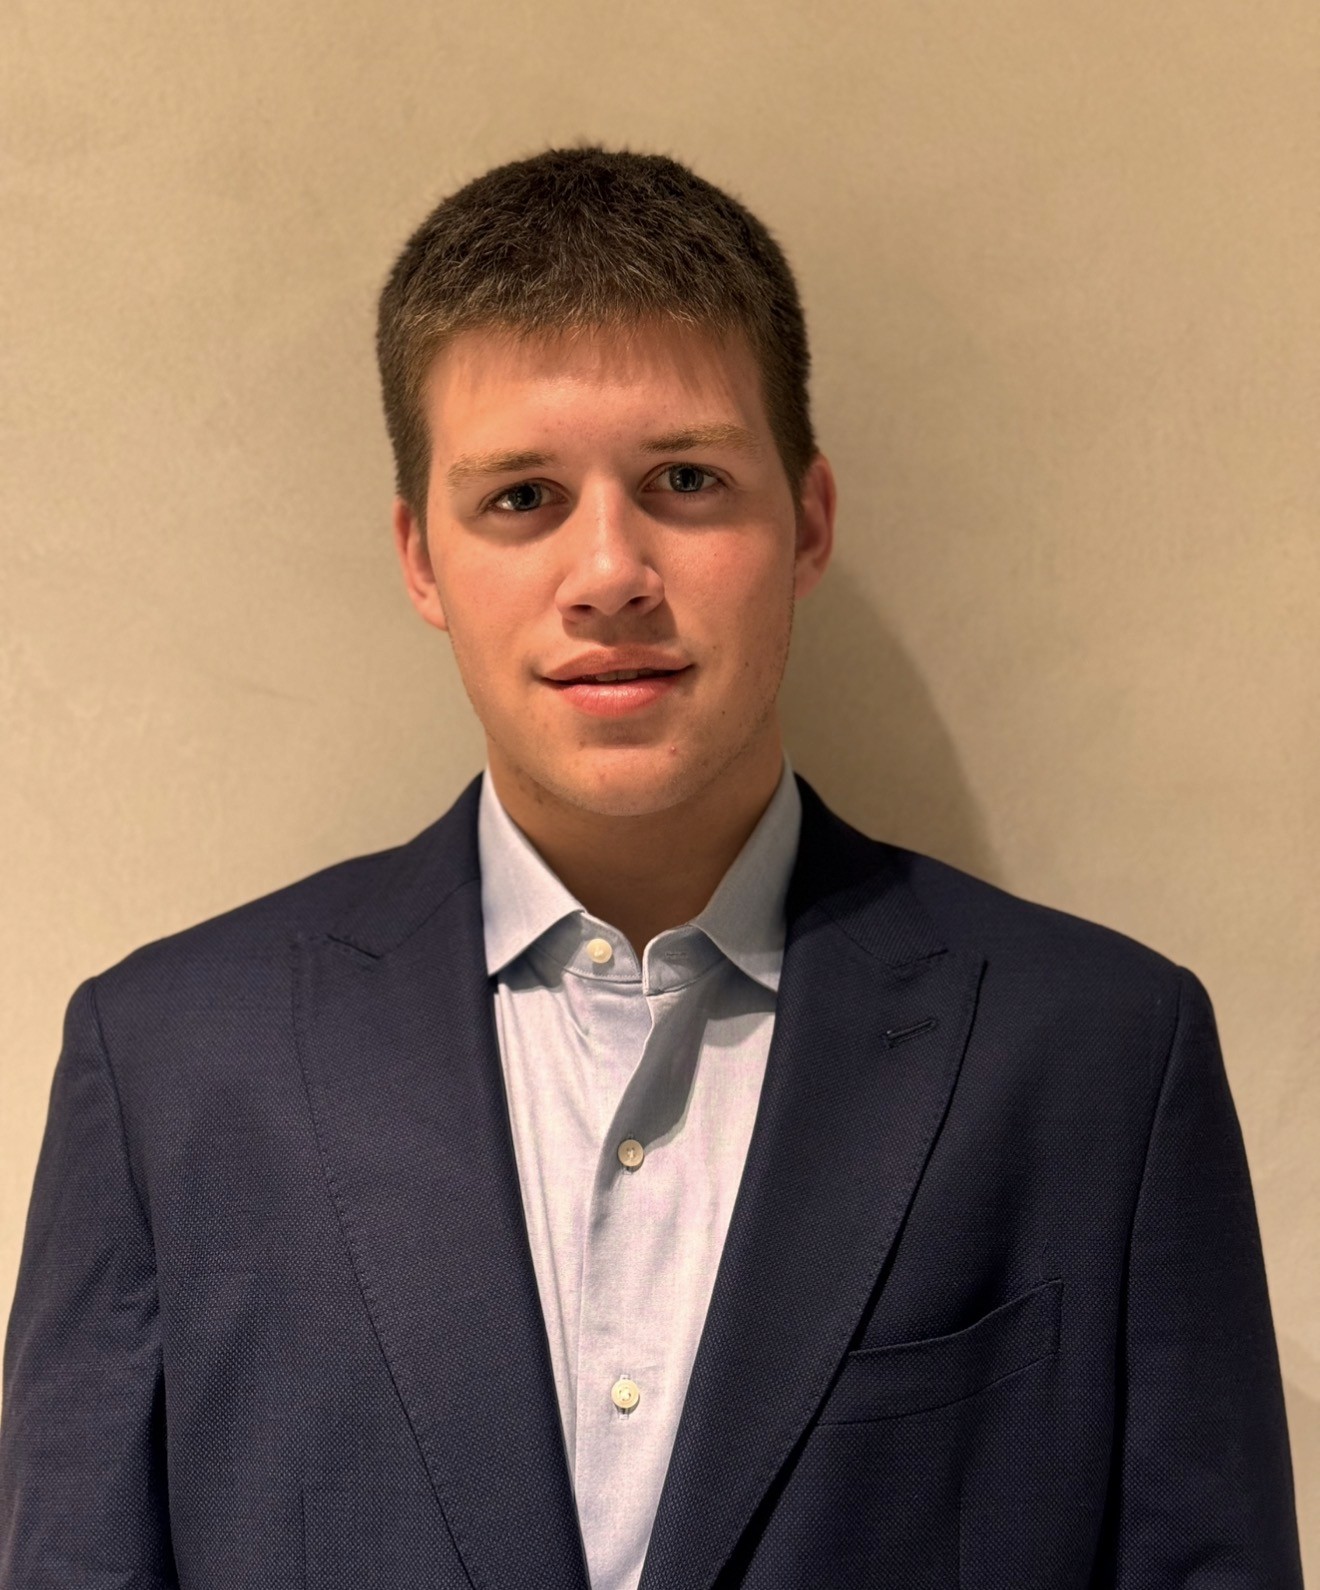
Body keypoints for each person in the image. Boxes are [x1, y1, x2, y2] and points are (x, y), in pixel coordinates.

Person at [0, 144, 1303, 1589]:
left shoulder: (1102, 1058)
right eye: (520, 499)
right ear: (419, 556)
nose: (610, 568)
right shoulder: (171, 1066)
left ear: (805, 522)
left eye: (686, 479)